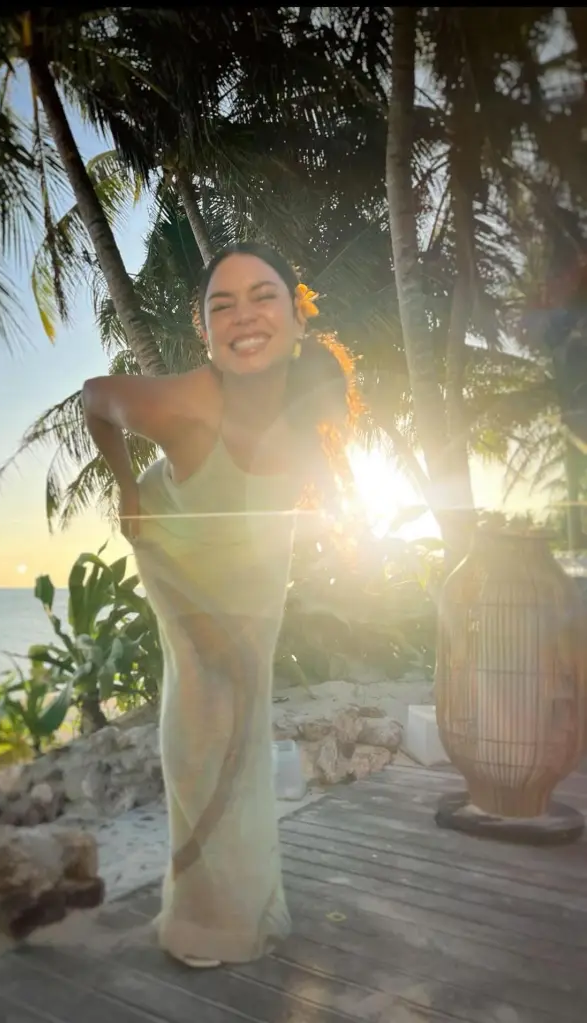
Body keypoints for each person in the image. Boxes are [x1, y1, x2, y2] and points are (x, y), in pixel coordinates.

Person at [81, 242, 355, 968]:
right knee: (205, 725)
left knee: (248, 725)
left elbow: (314, 458)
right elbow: (93, 397)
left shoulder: (309, 392)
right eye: (221, 305)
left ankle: (244, 903)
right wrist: (126, 487)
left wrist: (335, 511)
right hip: (180, 553)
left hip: (254, 565)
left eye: (263, 296)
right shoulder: (188, 406)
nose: (244, 316)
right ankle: (200, 920)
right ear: (204, 332)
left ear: (297, 319)